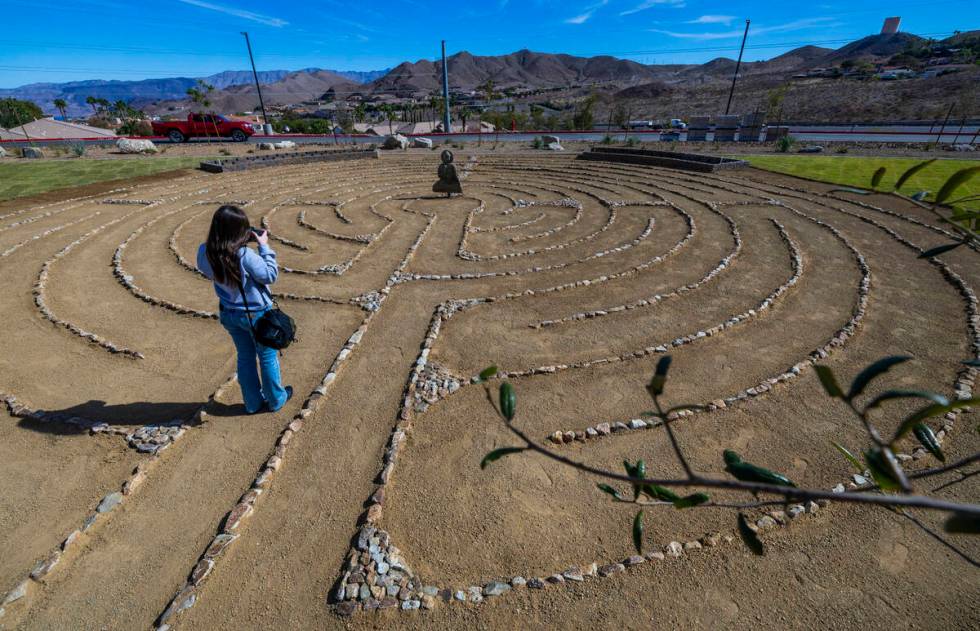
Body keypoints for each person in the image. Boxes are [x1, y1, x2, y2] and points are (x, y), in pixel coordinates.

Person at [197, 205, 292, 414]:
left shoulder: (204, 251)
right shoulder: (244, 254)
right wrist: (264, 247)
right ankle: (276, 400)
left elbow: (207, 271)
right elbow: (270, 276)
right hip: (256, 315)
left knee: (245, 356)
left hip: (229, 313)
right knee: (267, 356)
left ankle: (252, 403)